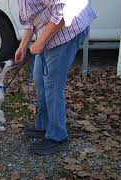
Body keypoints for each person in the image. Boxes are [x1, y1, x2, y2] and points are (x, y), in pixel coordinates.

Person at [14, 0, 97, 155]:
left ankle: (57, 136)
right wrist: (22, 46)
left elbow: (63, 11)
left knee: (52, 85)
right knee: (39, 79)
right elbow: (30, 20)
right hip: (49, 31)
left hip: (67, 30)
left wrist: (39, 42)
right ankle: (44, 125)